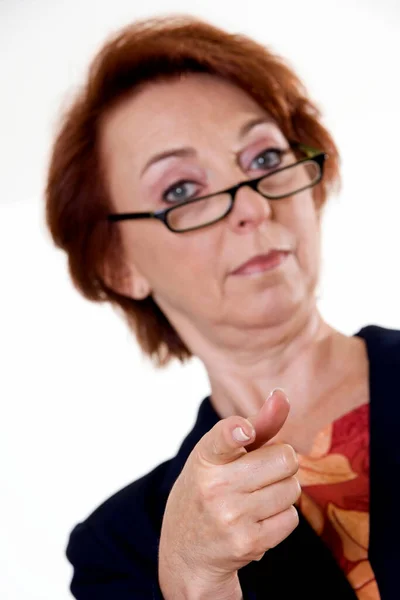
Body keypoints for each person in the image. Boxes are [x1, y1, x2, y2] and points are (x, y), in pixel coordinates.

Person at [45, 14, 399, 600]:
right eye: (182, 190)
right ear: (117, 263)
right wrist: (193, 579)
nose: (253, 207)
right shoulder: (121, 549)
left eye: (263, 160)